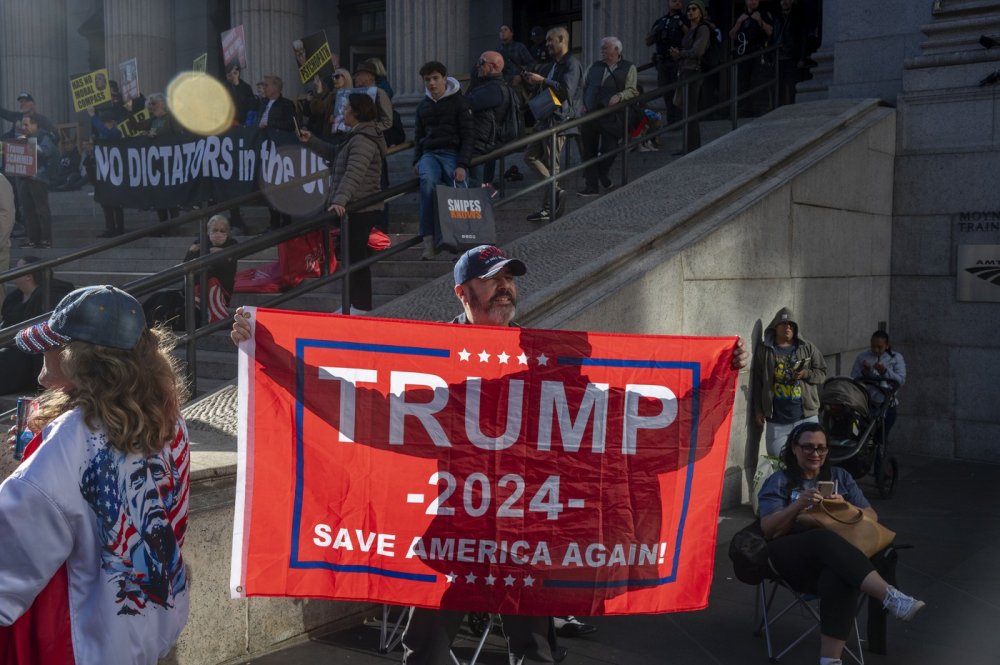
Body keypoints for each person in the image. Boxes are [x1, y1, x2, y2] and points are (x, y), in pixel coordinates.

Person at [230, 245, 750, 663]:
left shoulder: (544, 360)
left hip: (531, 537)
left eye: (510, 277)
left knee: (536, 650)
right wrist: (271, 353)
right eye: (492, 277)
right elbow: (368, 413)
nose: (506, 286)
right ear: (462, 292)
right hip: (463, 534)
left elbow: (639, 425)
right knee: (427, 649)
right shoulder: (438, 364)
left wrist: (715, 379)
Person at [0, 285, 191, 664]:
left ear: (78, 359)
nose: (44, 352)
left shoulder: (73, 436)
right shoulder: (170, 421)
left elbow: (16, 542)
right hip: (152, 624)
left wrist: (36, 461)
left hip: (85, 639)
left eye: (53, 344)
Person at [757, 422, 925, 665]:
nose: (816, 454)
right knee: (823, 538)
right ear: (794, 448)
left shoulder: (840, 477)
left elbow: (872, 515)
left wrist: (845, 506)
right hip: (789, 554)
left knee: (839, 575)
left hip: (836, 558)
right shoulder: (779, 481)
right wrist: (798, 505)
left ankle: (830, 661)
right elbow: (769, 529)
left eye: (821, 448)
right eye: (808, 447)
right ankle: (889, 595)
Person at [299, 93, 386, 314]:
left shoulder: (363, 139)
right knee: (350, 258)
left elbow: (354, 173)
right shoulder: (355, 137)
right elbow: (336, 155)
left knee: (356, 259)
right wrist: (312, 141)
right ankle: (351, 303)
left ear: (357, 112)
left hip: (360, 208)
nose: (343, 112)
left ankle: (361, 305)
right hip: (353, 208)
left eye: (346, 108)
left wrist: (339, 200)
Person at [412, 60, 474, 260]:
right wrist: (416, 161)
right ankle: (429, 242)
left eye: (435, 78)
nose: (431, 83)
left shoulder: (459, 102)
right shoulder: (423, 106)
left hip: (452, 153)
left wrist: (462, 164)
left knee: (457, 189)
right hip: (430, 154)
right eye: (427, 79)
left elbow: (468, 135)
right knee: (427, 183)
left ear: (445, 79)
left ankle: (461, 240)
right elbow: (418, 136)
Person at [523, 26, 583, 222]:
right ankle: (556, 190)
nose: (547, 44)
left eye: (551, 40)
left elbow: (566, 90)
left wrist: (543, 80)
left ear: (562, 40)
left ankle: (548, 208)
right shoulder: (553, 65)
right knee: (529, 156)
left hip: (559, 120)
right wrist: (535, 81)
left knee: (552, 163)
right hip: (545, 118)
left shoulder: (571, 63)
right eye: (547, 40)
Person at [751, 307, 828, 457]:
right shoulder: (765, 350)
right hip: (777, 418)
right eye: (783, 323)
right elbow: (758, 381)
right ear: (775, 327)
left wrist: (805, 373)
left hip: (806, 416)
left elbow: (822, 373)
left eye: (791, 324)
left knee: (809, 459)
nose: (787, 327)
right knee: (776, 458)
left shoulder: (807, 347)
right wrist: (759, 409)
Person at [0, 256, 74, 394]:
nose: (12, 271)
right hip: (11, 345)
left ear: (29, 275)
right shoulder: (14, 297)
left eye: (17, 268)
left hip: (28, 352)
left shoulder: (50, 296)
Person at [578, 37, 638, 197]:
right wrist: (583, 104)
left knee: (610, 149)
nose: (602, 51)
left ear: (617, 50)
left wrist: (620, 95)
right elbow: (584, 86)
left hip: (611, 116)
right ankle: (591, 186)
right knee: (588, 151)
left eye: (605, 48)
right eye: (602, 48)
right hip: (590, 115)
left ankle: (601, 174)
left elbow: (633, 90)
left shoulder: (628, 67)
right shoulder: (594, 66)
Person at [465, 50, 512, 193]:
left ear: (494, 66)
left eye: (481, 63)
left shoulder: (494, 89)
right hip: (482, 143)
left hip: (481, 146)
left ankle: (485, 191)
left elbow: (466, 103)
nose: (477, 66)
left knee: (475, 190)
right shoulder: (488, 86)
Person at [669, 0, 712, 154]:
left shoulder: (703, 28)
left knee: (691, 110)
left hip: (694, 71)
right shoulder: (690, 30)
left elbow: (698, 51)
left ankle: (692, 147)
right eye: (688, 10)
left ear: (700, 12)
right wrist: (677, 54)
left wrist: (681, 53)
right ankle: (688, 146)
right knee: (686, 110)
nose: (690, 12)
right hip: (685, 70)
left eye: (694, 9)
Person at [850, 330, 905, 438]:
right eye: (873, 346)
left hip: (887, 404)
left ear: (887, 346)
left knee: (881, 437)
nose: (876, 350)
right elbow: (853, 378)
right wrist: (863, 373)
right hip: (866, 403)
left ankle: (879, 453)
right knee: (859, 435)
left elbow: (900, 380)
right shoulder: (863, 356)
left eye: (880, 347)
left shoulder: (896, 358)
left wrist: (885, 372)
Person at [18, 113, 58, 249]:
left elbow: (47, 151)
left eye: (26, 124)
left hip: (39, 177)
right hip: (25, 177)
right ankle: (33, 239)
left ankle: (46, 239)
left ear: (35, 124)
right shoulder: (25, 137)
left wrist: (29, 145)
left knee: (41, 210)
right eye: (22, 125)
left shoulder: (43, 136)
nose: (24, 127)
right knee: (28, 210)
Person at [647, 0, 690, 124]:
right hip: (662, 61)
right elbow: (648, 41)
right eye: (673, 1)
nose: (677, 3)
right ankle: (671, 120)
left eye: (679, 1)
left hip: (678, 61)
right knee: (666, 91)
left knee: (678, 91)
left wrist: (682, 26)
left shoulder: (685, 19)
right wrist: (656, 32)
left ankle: (679, 120)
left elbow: (691, 38)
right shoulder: (660, 21)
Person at [87, 107, 127, 237]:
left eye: (106, 122)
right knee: (105, 202)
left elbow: (107, 134)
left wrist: (93, 117)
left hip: (114, 173)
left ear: (112, 122)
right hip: (103, 172)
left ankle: (119, 228)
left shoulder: (115, 133)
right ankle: (110, 228)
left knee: (116, 202)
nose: (104, 125)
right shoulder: (102, 135)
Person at [729, 0, 774, 116]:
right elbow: (732, 35)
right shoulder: (741, 15)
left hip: (758, 52)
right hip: (743, 53)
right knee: (742, 82)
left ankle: (762, 108)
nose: (752, 2)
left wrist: (760, 21)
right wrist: (739, 22)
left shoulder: (763, 13)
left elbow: (770, 31)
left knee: (759, 80)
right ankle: (743, 109)